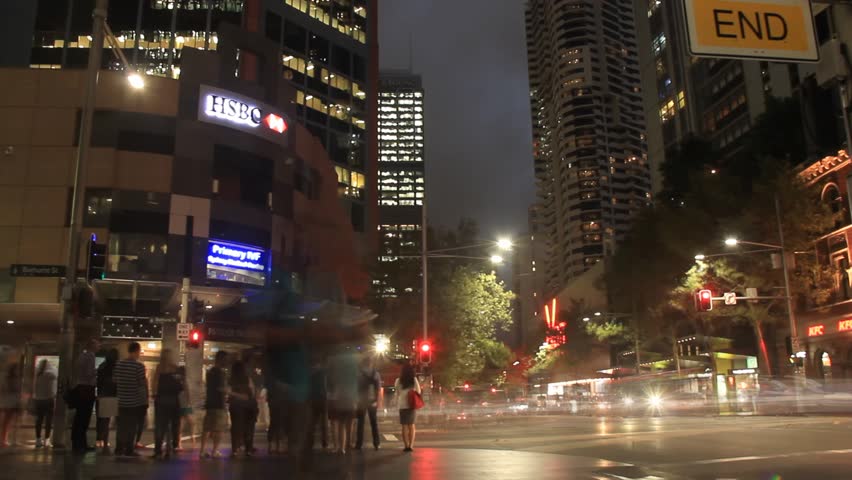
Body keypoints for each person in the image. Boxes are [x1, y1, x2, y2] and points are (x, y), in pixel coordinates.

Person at [114, 342, 148, 457]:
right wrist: (144, 400)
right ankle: (129, 449)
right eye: (139, 351)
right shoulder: (139, 366)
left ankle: (119, 448)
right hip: (134, 401)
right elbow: (142, 384)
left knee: (121, 426)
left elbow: (115, 380)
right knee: (132, 426)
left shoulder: (119, 364)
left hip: (121, 400)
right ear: (136, 351)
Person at [326, 346, 359, 455]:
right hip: (350, 398)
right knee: (348, 423)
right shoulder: (353, 370)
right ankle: (347, 444)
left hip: (338, 399)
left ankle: (340, 447)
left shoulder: (335, 369)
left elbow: (330, 384)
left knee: (340, 424)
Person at [152, 349, 182, 459]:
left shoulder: (159, 368)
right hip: (173, 400)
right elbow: (180, 386)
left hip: (161, 400)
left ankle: (158, 450)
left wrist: (154, 395)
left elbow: (154, 383)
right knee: (172, 425)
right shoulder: (175, 368)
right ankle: (170, 448)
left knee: (160, 425)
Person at [71, 338, 99, 453]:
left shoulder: (81, 356)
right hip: (87, 389)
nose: (99, 347)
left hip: (80, 388)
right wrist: (97, 371)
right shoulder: (91, 356)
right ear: (92, 346)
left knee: (79, 417)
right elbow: (89, 373)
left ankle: (77, 443)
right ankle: (81, 444)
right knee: (84, 418)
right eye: (97, 345)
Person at [200, 350, 228, 459]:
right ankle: (215, 450)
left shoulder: (210, 371)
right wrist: (229, 391)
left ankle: (202, 451)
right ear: (221, 359)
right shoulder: (221, 373)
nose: (226, 361)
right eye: (225, 359)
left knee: (207, 428)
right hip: (219, 403)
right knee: (219, 429)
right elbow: (221, 388)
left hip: (210, 403)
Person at [227, 361, 256, 457]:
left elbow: (228, 392)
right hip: (248, 406)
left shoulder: (230, 380)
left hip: (235, 406)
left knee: (235, 427)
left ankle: (234, 449)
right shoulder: (248, 379)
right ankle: (248, 449)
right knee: (248, 428)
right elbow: (252, 392)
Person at [354, 356, 382, 451]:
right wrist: (377, 401)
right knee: (374, 423)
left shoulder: (358, 374)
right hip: (372, 400)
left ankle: (359, 444)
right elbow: (378, 389)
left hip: (361, 400)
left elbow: (356, 388)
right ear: (371, 363)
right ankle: (376, 443)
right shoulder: (376, 374)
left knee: (360, 423)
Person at [96, 348, 119, 454]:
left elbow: (98, 381)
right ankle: (108, 444)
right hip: (113, 395)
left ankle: (103, 442)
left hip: (103, 394)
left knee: (104, 420)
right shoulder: (117, 367)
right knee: (110, 420)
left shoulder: (102, 367)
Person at [394, 363, 421, 452]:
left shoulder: (398, 380)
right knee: (411, 425)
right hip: (412, 404)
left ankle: (406, 445)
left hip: (402, 405)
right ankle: (411, 445)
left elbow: (397, 392)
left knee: (404, 426)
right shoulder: (414, 380)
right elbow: (419, 391)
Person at [33, 359, 57, 448]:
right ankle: (47, 440)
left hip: (38, 400)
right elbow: (56, 377)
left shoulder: (38, 375)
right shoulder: (50, 374)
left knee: (39, 420)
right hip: (48, 399)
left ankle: (38, 439)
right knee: (48, 421)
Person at [0, 359, 21, 448]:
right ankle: (4, 440)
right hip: (11, 402)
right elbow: (13, 389)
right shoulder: (12, 378)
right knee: (7, 422)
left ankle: (6, 439)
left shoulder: (5, 377)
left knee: (8, 422)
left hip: (8, 401)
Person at [307, 361, 328, 451]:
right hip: (322, 399)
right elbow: (326, 385)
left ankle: (310, 442)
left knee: (312, 423)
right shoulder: (323, 372)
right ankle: (325, 442)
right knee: (324, 422)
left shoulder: (309, 373)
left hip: (312, 399)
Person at [175, 366, 194, 451]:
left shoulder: (177, 380)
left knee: (181, 423)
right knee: (190, 422)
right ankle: (191, 437)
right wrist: (190, 401)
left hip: (179, 403)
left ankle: (179, 443)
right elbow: (188, 392)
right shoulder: (184, 380)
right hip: (185, 403)